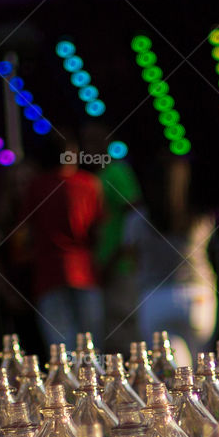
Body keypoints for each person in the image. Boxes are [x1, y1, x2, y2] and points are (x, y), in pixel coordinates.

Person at [123, 157, 216, 363]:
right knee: (201, 367)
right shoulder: (200, 218)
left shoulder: (137, 220)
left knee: (172, 373)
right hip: (197, 296)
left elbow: (132, 259)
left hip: (154, 298)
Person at [20, 132, 104, 346]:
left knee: (60, 347)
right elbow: (98, 230)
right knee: (92, 347)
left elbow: (26, 231)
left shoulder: (35, 187)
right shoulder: (89, 184)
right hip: (84, 271)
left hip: (48, 273)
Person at [80, 123, 143, 351]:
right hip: (105, 269)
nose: (89, 149)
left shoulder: (116, 172)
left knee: (125, 332)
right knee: (112, 334)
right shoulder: (96, 177)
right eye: (86, 143)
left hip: (121, 267)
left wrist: (117, 256)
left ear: (107, 144)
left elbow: (133, 213)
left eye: (95, 142)